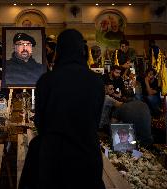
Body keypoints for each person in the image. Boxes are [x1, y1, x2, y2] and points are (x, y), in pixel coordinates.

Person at [19, 29, 105, 189]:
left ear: (60, 51)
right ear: (82, 50)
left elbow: (40, 123)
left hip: (54, 158)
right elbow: (96, 121)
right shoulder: (96, 82)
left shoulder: (46, 80)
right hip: (87, 156)